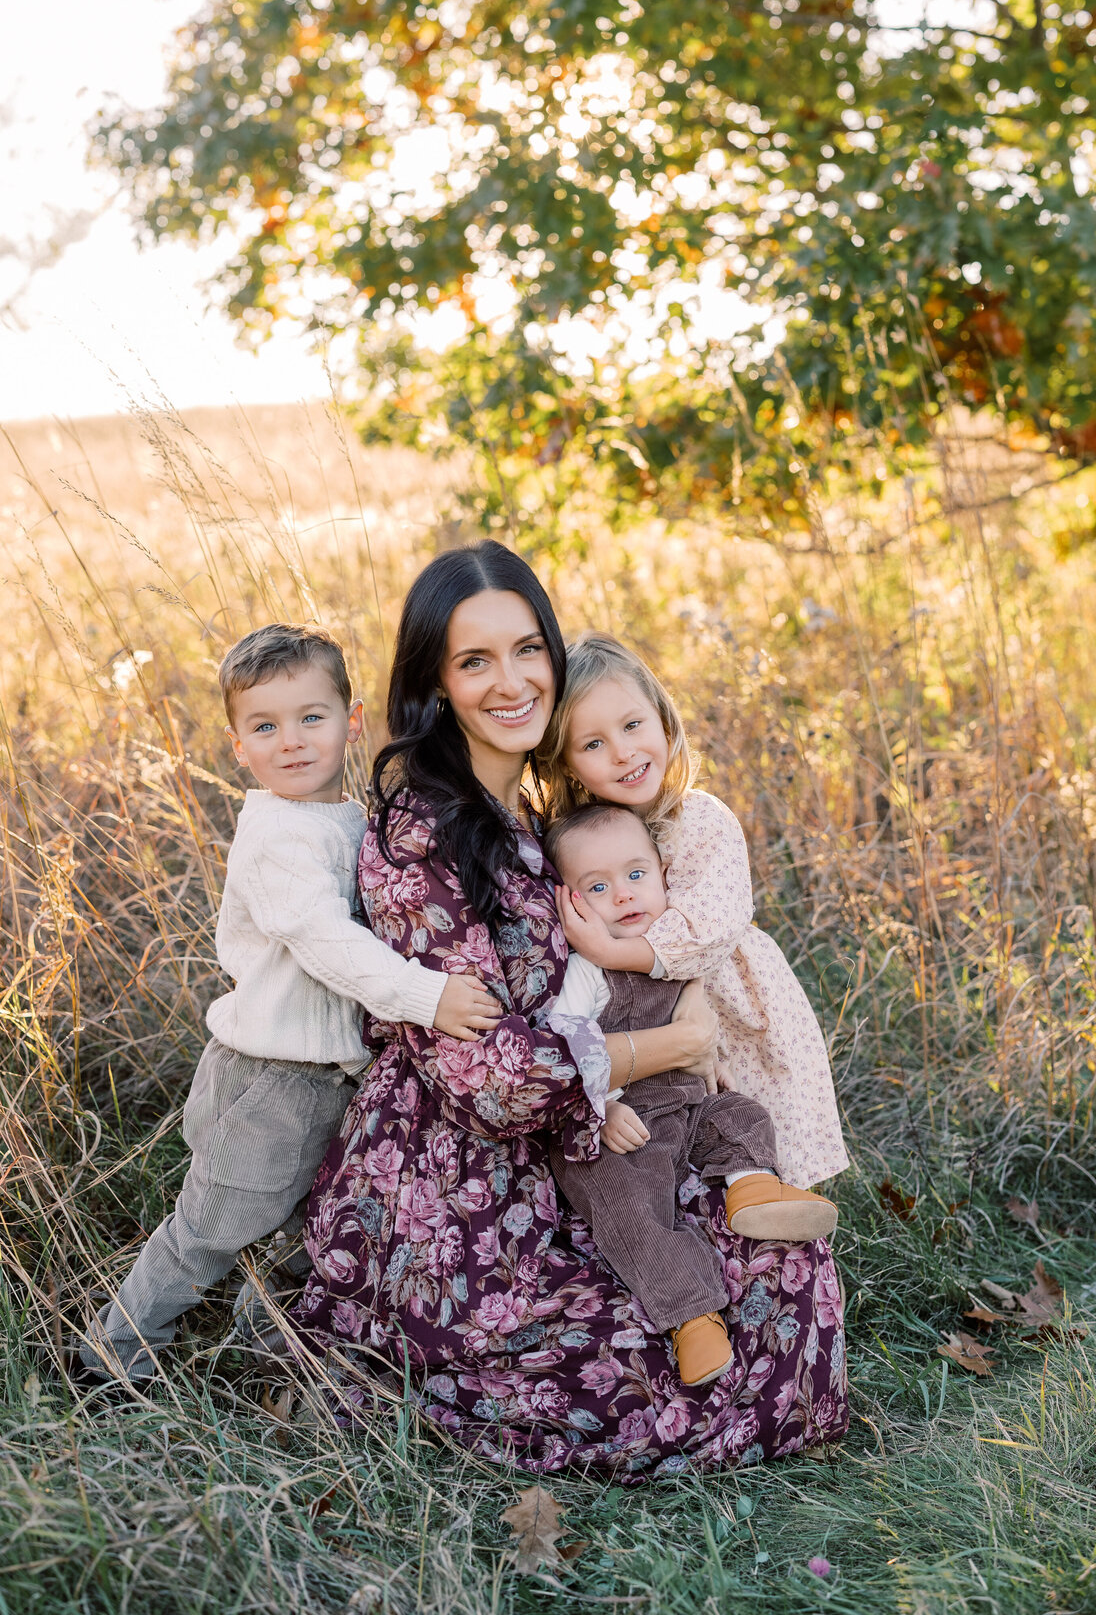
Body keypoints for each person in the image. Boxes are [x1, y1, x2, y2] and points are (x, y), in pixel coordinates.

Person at [292, 543, 849, 1477]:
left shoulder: (551, 814)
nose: (509, 682)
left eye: (526, 651)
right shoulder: (419, 830)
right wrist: (674, 1042)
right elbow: (487, 1081)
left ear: (554, 652)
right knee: (652, 1364)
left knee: (788, 1273)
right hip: (466, 1181)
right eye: (474, 662)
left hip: (597, 1137)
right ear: (436, 681)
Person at [78, 622, 499, 1384]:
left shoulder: (345, 817)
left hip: (325, 1080)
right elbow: (323, 939)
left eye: (312, 717)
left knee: (313, 1224)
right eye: (265, 727)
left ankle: (263, 1342)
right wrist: (426, 997)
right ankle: (116, 1353)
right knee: (210, 1229)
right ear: (238, 746)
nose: (292, 742)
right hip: (270, 1079)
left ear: (354, 720)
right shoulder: (277, 838)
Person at [540, 802, 837, 1389]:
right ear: (571, 904)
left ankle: (751, 1188)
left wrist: (714, 1066)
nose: (624, 895)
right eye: (597, 886)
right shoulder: (584, 971)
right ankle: (692, 1319)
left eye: (636, 874)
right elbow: (568, 1041)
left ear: (660, 872)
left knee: (741, 1113)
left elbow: (704, 1026)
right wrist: (598, 1110)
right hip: (624, 1123)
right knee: (631, 1209)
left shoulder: (672, 948)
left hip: (686, 1104)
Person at [538, 632, 850, 1189]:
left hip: (725, 1002)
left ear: (662, 718)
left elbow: (711, 925)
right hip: (635, 1024)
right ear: (565, 764)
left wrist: (612, 950)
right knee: (669, 1136)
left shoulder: (700, 819)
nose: (623, 752)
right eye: (593, 744)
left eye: (633, 726)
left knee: (744, 1111)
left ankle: (768, 1200)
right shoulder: (576, 842)